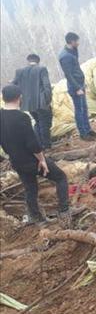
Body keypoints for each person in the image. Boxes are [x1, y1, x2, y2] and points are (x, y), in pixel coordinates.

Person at [1, 85, 71, 227]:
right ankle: (64, 211)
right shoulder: (22, 117)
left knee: (30, 187)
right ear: (19, 97)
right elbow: (32, 144)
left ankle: (36, 218)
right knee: (60, 177)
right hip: (32, 161)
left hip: (16, 160)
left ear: (3, 98)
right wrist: (42, 160)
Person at [58, 32, 96, 141]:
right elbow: (68, 74)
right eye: (77, 41)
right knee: (79, 110)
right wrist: (77, 88)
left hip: (80, 83)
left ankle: (88, 129)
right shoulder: (65, 56)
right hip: (75, 86)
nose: (78, 43)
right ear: (71, 41)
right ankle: (83, 133)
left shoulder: (73, 51)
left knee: (84, 108)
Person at [12, 54, 53, 149]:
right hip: (41, 102)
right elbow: (47, 86)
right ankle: (46, 145)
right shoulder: (41, 69)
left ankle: (40, 144)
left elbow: (13, 86)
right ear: (38, 61)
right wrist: (48, 100)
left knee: (38, 122)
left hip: (28, 103)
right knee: (45, 123)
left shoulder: (20, 71)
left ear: (28, 61)